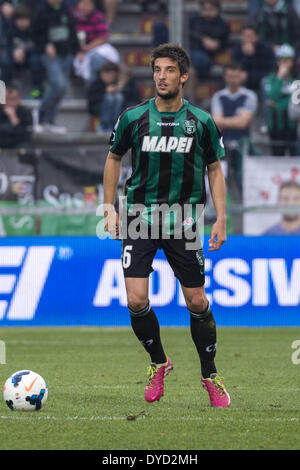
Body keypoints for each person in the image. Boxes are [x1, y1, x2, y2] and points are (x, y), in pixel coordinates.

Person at [103, 43, 230, 407]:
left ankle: (210, 374)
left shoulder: (201, 121)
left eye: (170, 70)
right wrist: (108, 207)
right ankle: (159, 362)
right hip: (140, 217)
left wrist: (220, 216)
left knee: (197, 300)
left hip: (185, 221)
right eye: (157, 69)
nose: (162, 76)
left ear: (183, 76)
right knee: (136, 299)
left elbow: (215, 169)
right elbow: (113, 158)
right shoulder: (133, 117)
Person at [32, 0, 81, 134]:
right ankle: (40, 115)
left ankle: (50, 120)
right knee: (57, 84)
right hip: (50, 55)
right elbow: (36, 33)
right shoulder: (41, 10)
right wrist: (45, 44)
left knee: (62, 88)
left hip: (66, 53)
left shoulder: (65, 9)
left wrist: (77, 50)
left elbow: (72, 30)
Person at [211, 63, 258, 199]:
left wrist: (225, 121)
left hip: (244, 145)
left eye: (236, 76)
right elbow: (216, 122)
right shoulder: (218, 96)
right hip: (222, 146)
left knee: (244, 181)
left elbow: (243, 123)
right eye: (230, 76)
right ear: (225, 77)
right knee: (221, 182)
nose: (233, 79)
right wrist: (237, 120)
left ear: (242, 77)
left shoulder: (249, 96)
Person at [262, 44, 298, 156]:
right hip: (275, 126)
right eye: (282, 60)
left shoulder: (297, 80)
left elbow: (296, 102)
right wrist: (280, 77)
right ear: (277, 62)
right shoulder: (270, 79)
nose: (285, 64)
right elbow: (271, 96)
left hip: (294, 127)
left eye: (288, 60)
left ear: (293, 62)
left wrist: (277, 105)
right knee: (277, 159)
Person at [71, 0, 119, 83]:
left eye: (88, 4)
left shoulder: (98, 16)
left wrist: (86, 48)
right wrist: (78, 51)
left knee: (97, 59)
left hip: (93, 47)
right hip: (73, 49)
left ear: (93, 5)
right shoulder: (71, 15)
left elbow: (103, 37)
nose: (84, 7)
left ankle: (95, 86)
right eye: (82, 4)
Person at [5, 6, 44, 98]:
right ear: (15, 21)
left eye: (25, 20)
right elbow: (7, 46)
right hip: (14, 56)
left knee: (36, 61)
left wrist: (24, 51)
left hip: (30, 56)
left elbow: (39, 46)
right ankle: (5, 90)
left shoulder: (34, 31)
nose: (22, 23)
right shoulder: (11, 31)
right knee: (5, 62)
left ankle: (37, 91)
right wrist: (14, 53)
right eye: (20, 20)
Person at [188, 0, 230, 79]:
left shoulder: (222, 24)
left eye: (211, 9)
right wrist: (203, 39)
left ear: (218, 10)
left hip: (206, 56)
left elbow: (222, 42)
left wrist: (216, 45)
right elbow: (189, 33)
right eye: (205, 9)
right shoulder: (195, 20)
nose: (207, 12)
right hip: (191, 52)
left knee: (199, 62)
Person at [231, 22, 276, 92]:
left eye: (250, 36)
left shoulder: (266, 49)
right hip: (244, 82)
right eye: (244, 36)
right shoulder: (237, 50)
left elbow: (271, 71)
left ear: (257, 37)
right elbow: (235, 68)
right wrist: (246, 56)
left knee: (266, 82)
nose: (247, 39)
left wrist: (250, 76)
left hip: (260, 80)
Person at [87, 61, 123, 133]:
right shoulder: (96, 83)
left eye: (112, 75)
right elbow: (91, 98)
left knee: (119, 97)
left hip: (113, 112)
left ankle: (114, 123)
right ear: (102, 74)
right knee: (109, 97)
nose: (110, 77)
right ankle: (104, 124)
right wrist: (105, 92)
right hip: (97, 108)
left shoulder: (115, 83)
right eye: (108, 75)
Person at [0, 83, 32, 148]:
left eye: (13, 99)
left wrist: (13, 118)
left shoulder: (25, 113)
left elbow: (25, 136)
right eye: (7, 99)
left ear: (19, 99)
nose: (10, 103)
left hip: (17, 144)